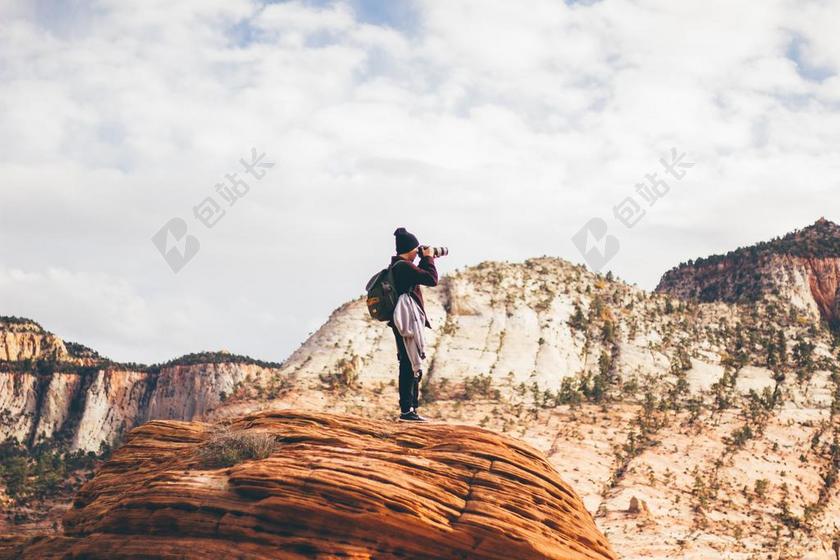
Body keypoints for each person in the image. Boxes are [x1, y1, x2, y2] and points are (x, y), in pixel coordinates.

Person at [386, 227, 438, 421]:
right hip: (406, 319)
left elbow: (421, 275)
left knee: (409, 362)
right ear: (409, 249)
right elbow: (431, 279)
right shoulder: (403, 267)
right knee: (409, 363)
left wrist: (425, 259)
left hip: (403, 319)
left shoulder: (399, 266)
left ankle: (410, 410)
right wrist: (429, 257)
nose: (418, 253)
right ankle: (407, 410)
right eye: (416, 250)